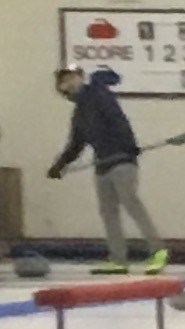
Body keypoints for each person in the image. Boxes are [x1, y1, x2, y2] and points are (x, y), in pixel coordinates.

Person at [46, 61, 163, 267]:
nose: (69, 84)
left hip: (122, 161)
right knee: (108, 212)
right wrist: (60, 165)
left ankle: (158, 251)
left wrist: (129, 145)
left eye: (72, 78)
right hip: (102, 165)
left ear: (81, 77)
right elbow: (76, 143)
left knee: (131, 204)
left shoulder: (99, 95)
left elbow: (118, 120)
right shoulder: (80, 113)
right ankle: (118, 259)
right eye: (64, 81)